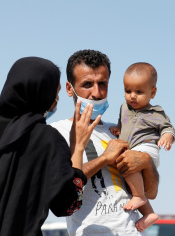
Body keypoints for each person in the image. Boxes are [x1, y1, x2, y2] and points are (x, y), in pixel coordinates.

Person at [0, 57, 100, 236]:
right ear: (42, 93)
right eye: (56, 92)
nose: (56, 100)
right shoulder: (47, 139)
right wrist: (77, 148)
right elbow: (68, 206)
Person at [51, 50, 159, 236]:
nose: (96, 93)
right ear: (69, 89)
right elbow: (62, 192)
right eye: (87, 84)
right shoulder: (56, 133)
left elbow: (150, 192)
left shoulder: (119, 131)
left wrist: (146, 163)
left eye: (102, 84)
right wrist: (104, 159)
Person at [110, 62, 175, 232]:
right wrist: (117, 128)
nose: (132, 96)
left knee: (129, 166)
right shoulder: (124, 107)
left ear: (152, 92)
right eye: (128, 90)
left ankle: (139, 197)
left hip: (147, 149)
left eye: (139, 92)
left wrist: (167, 137)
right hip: (132, 150)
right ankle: (149, 214)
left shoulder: (156, 113)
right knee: (131, 182)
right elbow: (123, 123)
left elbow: (168, 128)